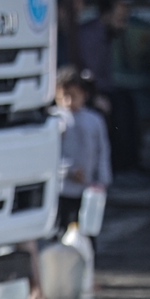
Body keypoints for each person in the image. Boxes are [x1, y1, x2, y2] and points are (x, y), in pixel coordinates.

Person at [77, 0, 140, 173]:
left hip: (104, 88)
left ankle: (130, 164)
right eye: (119, 19)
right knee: (119, 108)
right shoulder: (90, 36)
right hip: (88, 91)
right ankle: (120, 166)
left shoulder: (108, 36)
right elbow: (88, 74)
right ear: (105, 15)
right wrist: (95, 96)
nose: (123, 25)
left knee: (127, 101)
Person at [53, 67, 112, 245]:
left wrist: (103, 180)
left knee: (87, 231)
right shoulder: (55, 120)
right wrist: (67, 171)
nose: (69, 101)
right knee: (62, 231)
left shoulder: (94, 120)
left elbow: (102, 150)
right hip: (62, 188)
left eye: (74, 96)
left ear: (84, 95)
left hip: (88, 188)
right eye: (64, 96)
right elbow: (51, 156)